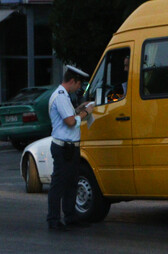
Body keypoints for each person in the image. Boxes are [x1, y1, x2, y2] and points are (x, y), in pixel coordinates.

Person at [47, 65, 94, 231]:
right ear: (72, 81)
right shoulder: (60, 96)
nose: (79, 87)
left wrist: (80, 108)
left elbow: (70, 115)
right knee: (59, 184)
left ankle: (70, 216)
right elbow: (70, 121)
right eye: (79, 84)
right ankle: (53, 219)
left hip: (70, 148)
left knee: (71, 184)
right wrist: (86, 113)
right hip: (63, 148)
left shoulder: (64, 96)